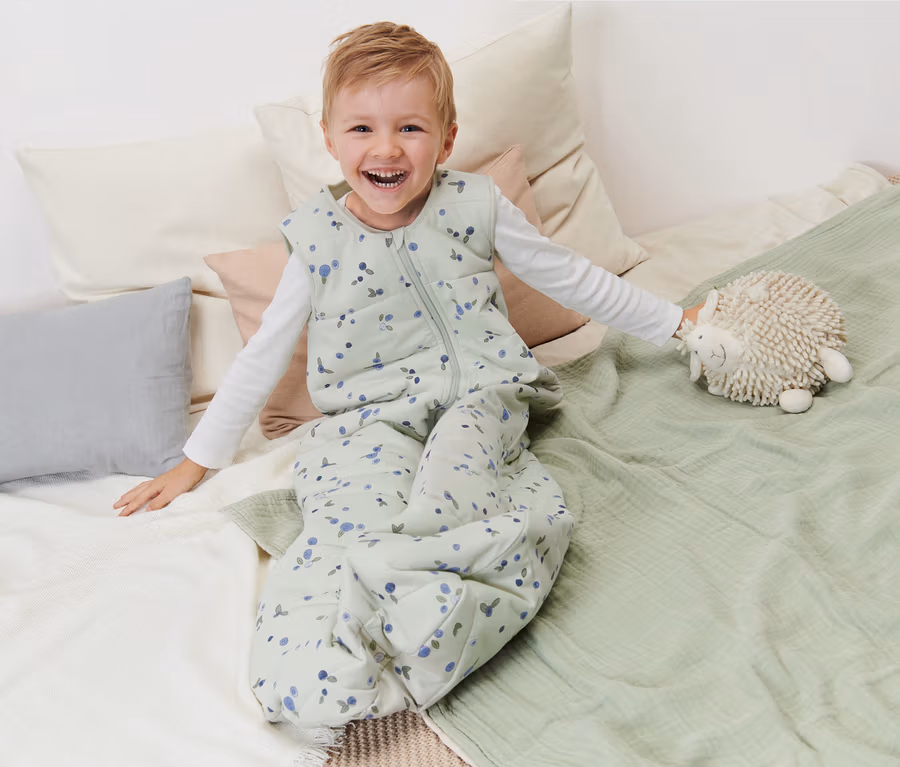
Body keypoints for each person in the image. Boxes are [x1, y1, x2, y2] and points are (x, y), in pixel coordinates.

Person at [114, 22, 703, 726]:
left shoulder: (477, 206)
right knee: (343, 526)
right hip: (366, 423)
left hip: (480, 402)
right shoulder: (316, 239)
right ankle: (307, 670)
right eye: (362, 127)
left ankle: (419, 637)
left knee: (487, 512)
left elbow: (572, 278)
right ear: (331, 140)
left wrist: (679, 324)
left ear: (446, 140)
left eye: (410, 128)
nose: (387, 148)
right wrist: (196, 459)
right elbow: (263, 353)